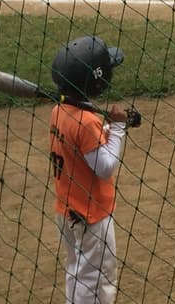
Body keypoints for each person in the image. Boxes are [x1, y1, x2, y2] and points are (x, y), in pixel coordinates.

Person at [48, 35, 137, 304]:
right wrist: (118, 129)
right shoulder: (86, 122)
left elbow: (83, 150)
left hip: (68, 211)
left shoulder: (59, 111)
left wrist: (107, 128)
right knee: (96, 279)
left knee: (79, 272)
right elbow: (104, 166)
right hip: (90, 215)